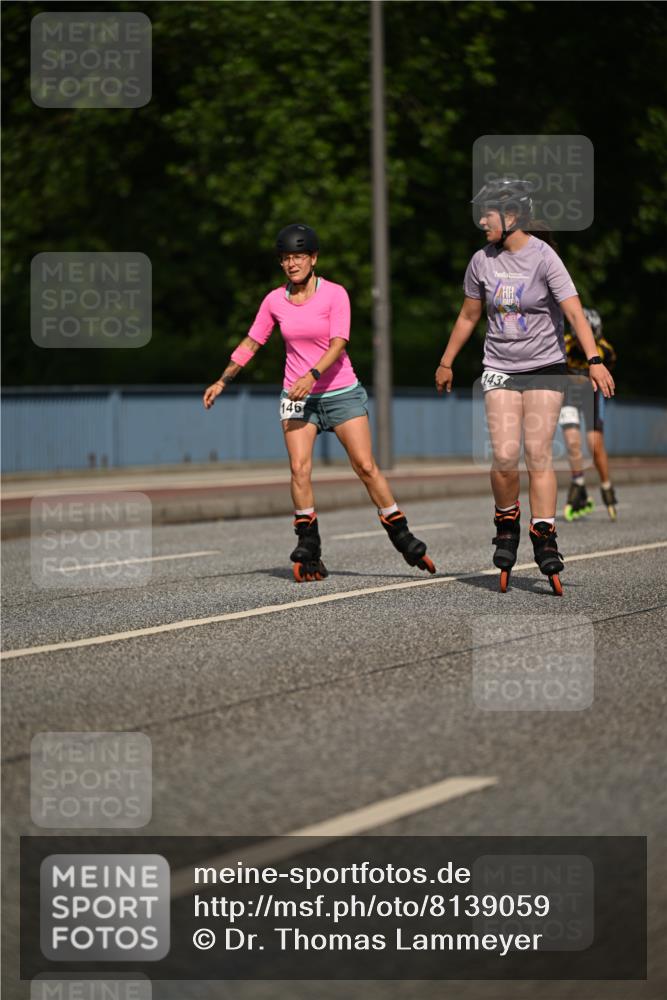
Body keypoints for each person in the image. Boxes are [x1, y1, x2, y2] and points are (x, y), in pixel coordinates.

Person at [203, 223, 435, 581]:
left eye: (298, 256)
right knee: (299, 469)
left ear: (313, 258)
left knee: (365, 466)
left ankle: (400, 533)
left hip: (340, 391)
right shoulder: (273, 301)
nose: (291, 264)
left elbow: (339, 343)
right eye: (285, 258)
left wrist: (311, 376)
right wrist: (223, 379)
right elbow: (252, 342)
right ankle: (309, 545)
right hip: (297, 398)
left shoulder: (335, 295)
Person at [435, 178, 615, 594]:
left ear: (511, 217)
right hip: (499, 365)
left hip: (545, 367)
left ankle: (545, 533)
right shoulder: (481, 260)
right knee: (503, 455)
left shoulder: (544, 257)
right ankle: (506, 521)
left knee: (537, 453)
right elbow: (468, 316)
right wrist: (446, 361)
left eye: (488, 214)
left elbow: (573, 313)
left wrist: (594, 361)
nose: (481, 221)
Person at [559, 307, 619, 520]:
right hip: (569, 395)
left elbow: (608, 371)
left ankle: (606, 485)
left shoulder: (606, 350)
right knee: (572, 441)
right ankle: (578, 482)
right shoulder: (564, 345)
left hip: (591, 396)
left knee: (594, 444)